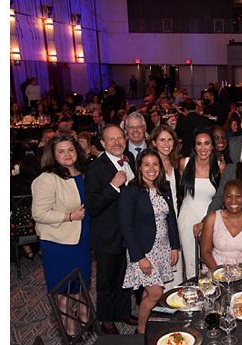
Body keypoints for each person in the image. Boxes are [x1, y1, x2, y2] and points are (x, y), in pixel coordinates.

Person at [30, 135, 92, 338]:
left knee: (81, 284)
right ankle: (70, 332)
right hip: (59, 243)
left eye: (70, 150)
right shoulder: (47, 179)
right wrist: (69, 216)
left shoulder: (82, 174)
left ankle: (84, 319)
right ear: (53, 155)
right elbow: (38, 214)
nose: (67, 154)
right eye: (61, 151)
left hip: (81, 239)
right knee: (64, 288)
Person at [118, 149, 181, 334]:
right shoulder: (131, 191)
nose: (151, 168)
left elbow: (171, 219)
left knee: (148, 292)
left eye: (155, 164)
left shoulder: (164, 187)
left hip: (162, 247)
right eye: (146, 164)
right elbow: (126, 226)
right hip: (143, 250)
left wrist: (175, 246)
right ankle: (142, 330)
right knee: (156, 293)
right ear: (139, 167)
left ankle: (144, 323)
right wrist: (139, 257)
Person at [85, 125, 136, 334]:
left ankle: (122, 312)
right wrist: (114, 186)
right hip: (107, 234)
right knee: (106, 280)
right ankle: (106, 320)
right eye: (111, 139)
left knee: (125, 276)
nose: (116, 142)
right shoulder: (95, 169)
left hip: (129, 233)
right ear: (103, 143)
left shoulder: (129, 159)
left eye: (119, 138)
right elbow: (93, 206)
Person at [176, 128, 224, 281]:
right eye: (199, 144)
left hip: (210, 217)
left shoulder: (220, 166)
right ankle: (193, 295)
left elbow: (220, 197)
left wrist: (207, 220)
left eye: (207, 143)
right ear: (194, 146)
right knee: (191, 261)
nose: (203, 148)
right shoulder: (184, 163)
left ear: (212, 146)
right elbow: (180, 191)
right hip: (187, 215)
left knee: (209, 258)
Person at [199, 180, 242, 269]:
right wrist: (219, 273)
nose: (233, 201)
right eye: (229, 196)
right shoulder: (212, 218)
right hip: (215, 270)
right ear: (223, 198)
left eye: (238, 196)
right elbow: (205, 252)